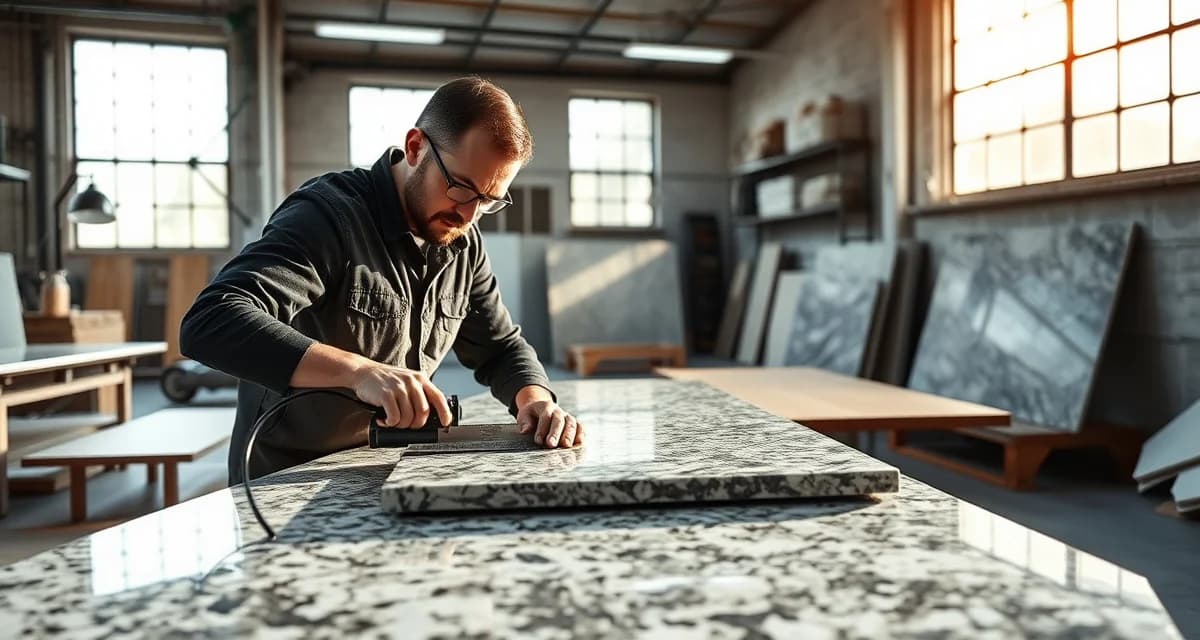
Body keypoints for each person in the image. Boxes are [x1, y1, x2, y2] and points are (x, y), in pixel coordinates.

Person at [180, 76, 582, 483]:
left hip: (385, 469)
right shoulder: (328, 217)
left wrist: (535, 400)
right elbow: (211, 321)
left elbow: (499, 347)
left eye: (488, 200)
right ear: (415, 147)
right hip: (285, 480)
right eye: (461, 187)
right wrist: (360, 372)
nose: (468, 214)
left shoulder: (463, 241)